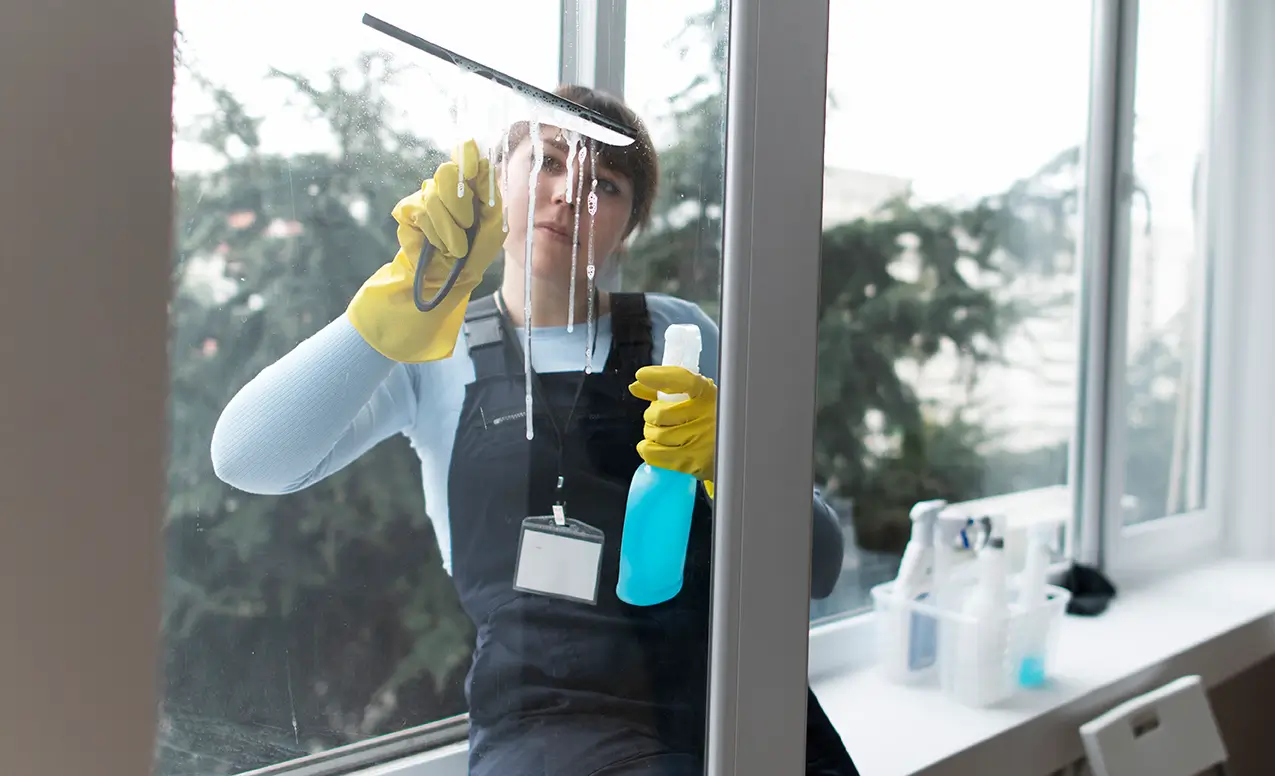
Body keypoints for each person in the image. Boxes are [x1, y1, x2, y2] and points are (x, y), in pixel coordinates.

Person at [212, 85, 858, 776]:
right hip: (546, 728)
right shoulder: (434, 346)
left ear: (629, 224)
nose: (568, 194)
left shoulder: (681, 336)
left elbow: (816, 568)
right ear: (499, 179)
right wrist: (392, 306)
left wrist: (739, 463)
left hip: (730, 698)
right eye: (548, 161)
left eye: (605, 184)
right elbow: (246, 459)